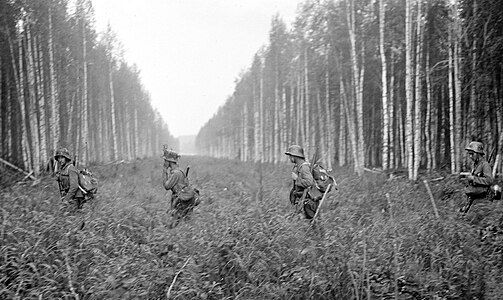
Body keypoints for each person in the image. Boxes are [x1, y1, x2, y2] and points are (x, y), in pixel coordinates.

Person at [162, 149, 199, 228]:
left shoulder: (176, 173)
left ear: (169, 161)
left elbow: (166, 186)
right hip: (186, 199)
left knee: (174, 225)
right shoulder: (180, 171)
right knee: (186, 223)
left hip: (183, 201)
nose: (164, 162)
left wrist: (164, 170)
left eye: (165, 160)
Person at [460, 141, 494, 225]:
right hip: (474, 198)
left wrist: (474, 178)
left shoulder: (485, 165)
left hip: (483, 200)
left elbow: (489, 180)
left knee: (472, 222)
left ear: (478, 154)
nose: (470, 156)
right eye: (469, 154)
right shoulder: (476, 165)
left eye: (472, 154)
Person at [285, 145, 318, 219]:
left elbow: (309, 183)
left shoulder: (304, 167)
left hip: (307, 202)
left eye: (290, 156)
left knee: (312, 222)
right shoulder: (298, 166)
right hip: (301, 200)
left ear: (294, 156)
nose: (289, 158)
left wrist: (297, 178)